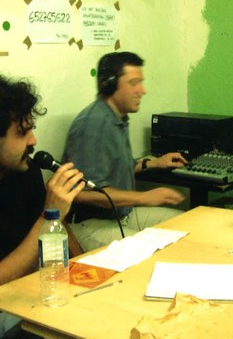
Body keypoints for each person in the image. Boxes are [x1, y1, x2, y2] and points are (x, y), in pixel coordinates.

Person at [62, 52, 187, 251]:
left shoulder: (117, 118)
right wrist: (145, 197)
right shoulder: (93, 125)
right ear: (109, 84)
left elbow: (119, 168)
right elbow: (83, 194)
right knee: (156, 250)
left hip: (123, 215)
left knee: (185, 225)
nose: (142, 90)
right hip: (91, 225)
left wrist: (155, 163)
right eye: (133, 83)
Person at [0, 75, 85, 337]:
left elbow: (58, 228)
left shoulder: (26, 171)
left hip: (38, 289)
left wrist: (85, 268)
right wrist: (49, 216)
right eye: (22, 132)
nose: (33, 141)